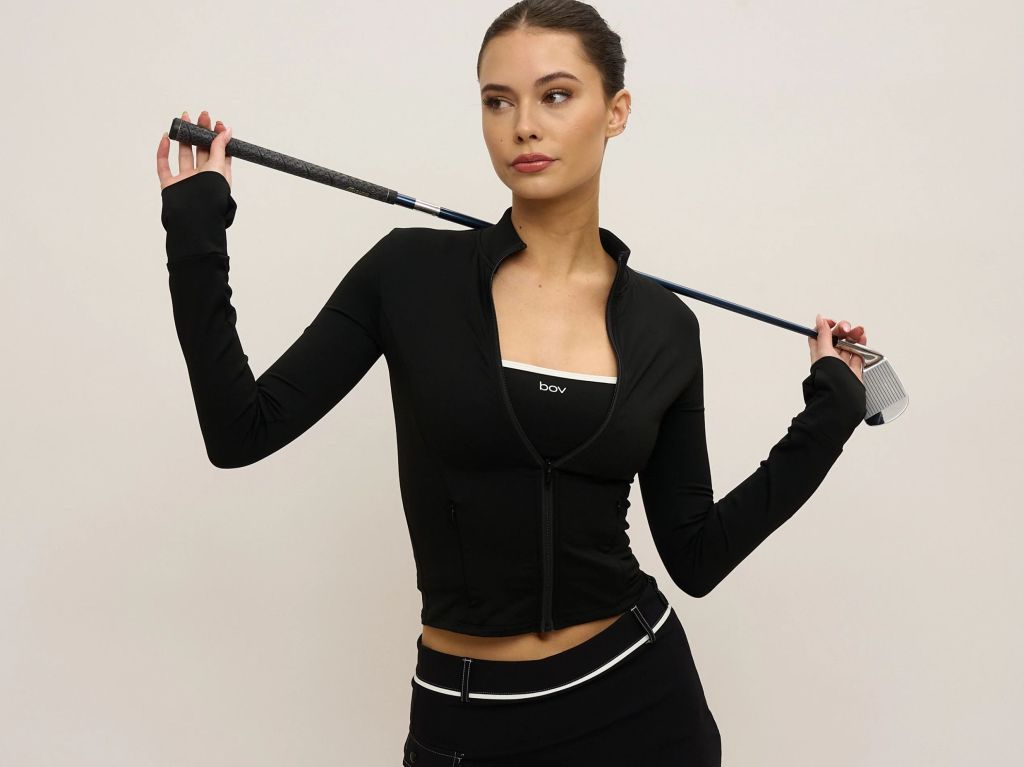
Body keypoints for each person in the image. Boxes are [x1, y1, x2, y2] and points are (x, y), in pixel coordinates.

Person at [155, 1, 868, 764]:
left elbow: (695, 555)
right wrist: (195, 234)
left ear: (616, 111)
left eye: (555, 95)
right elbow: (240, 431)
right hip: (467, 720)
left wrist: (830, 415)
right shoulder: (407, 275)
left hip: (640, 701)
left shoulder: (665, 326)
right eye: (498, 101)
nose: (523, 125)